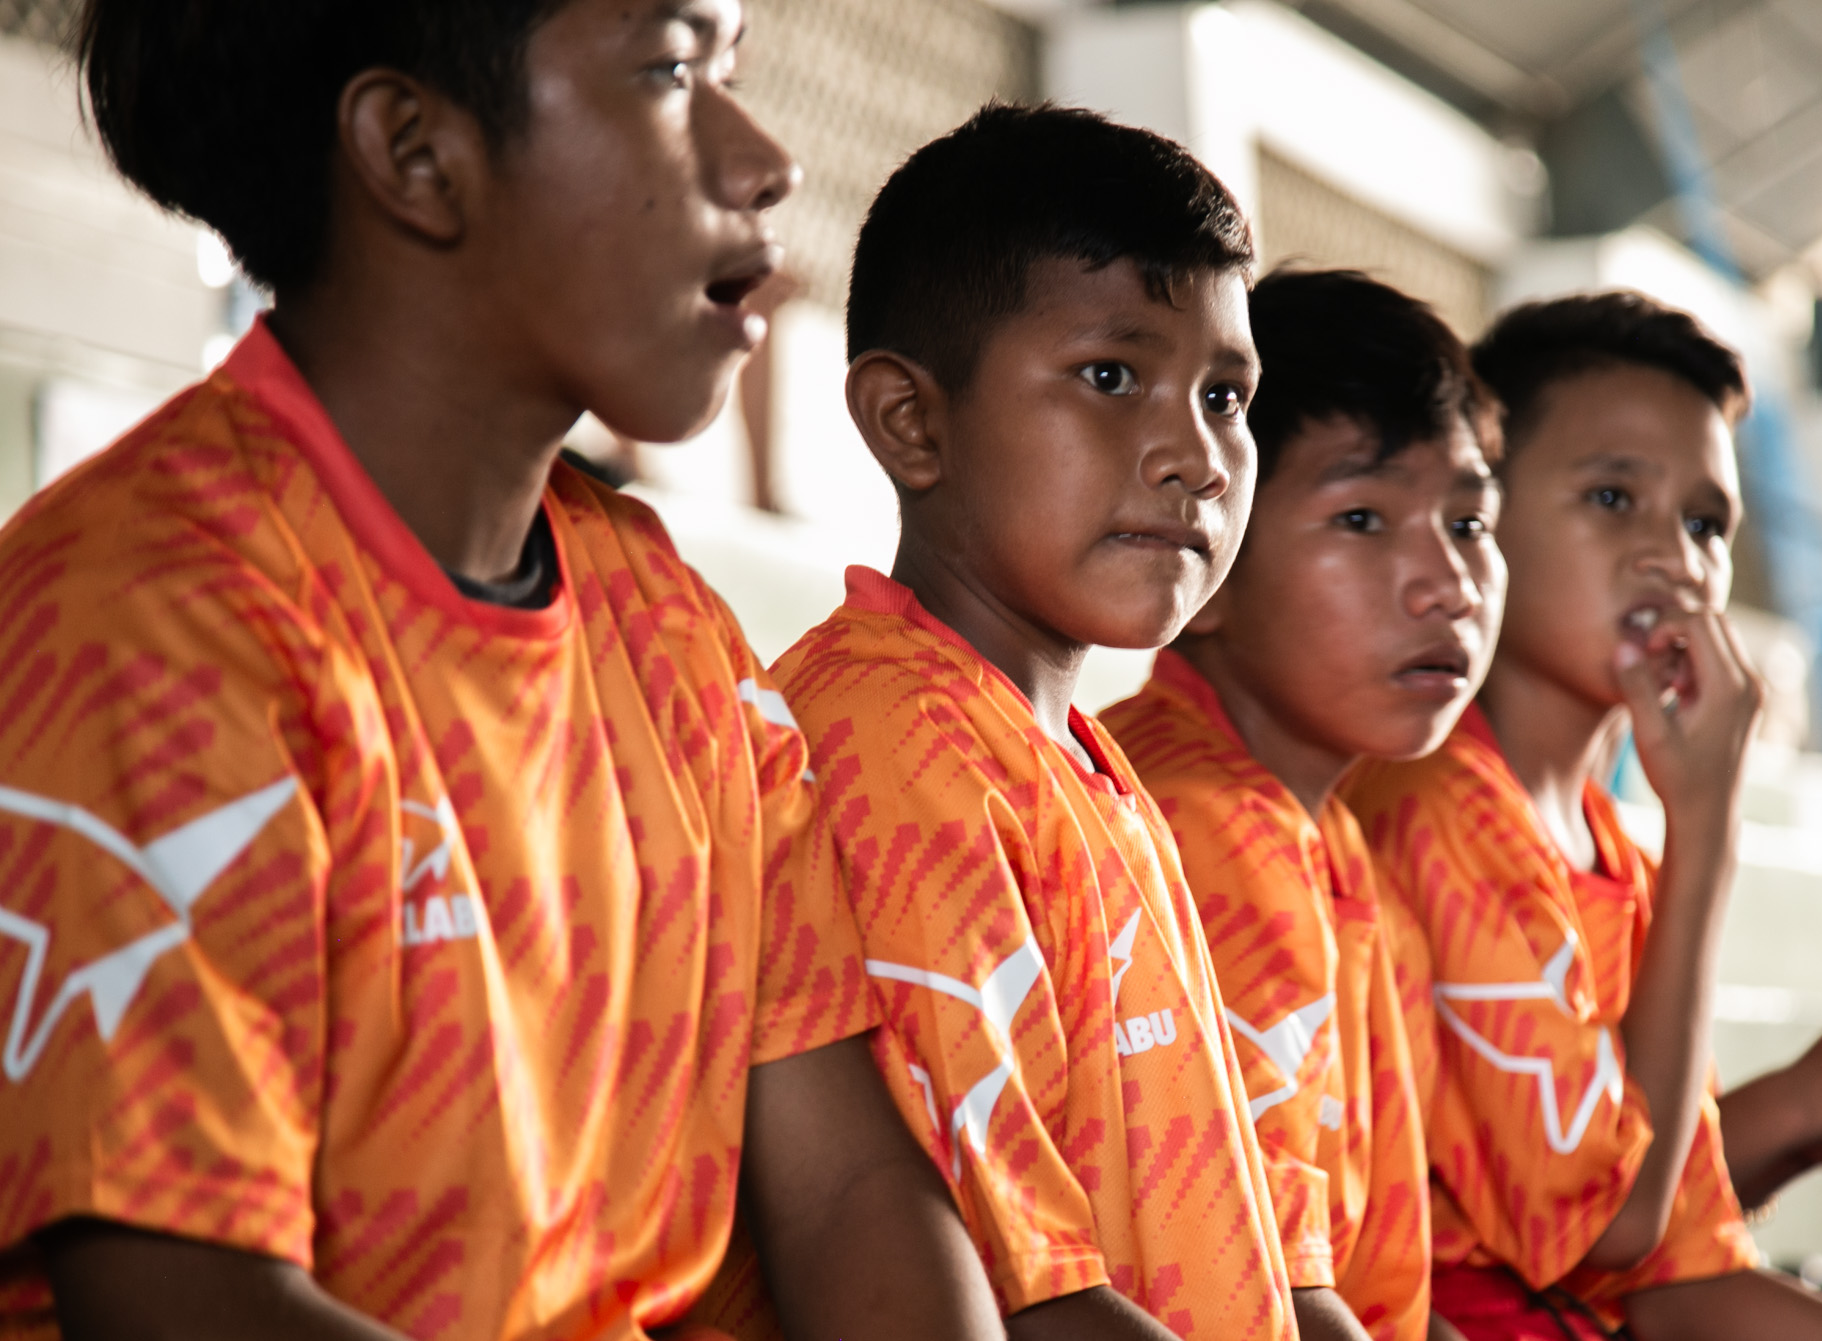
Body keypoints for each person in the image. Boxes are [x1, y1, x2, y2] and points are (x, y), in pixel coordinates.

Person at [0, 3, 1009, 1339]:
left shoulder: (676, 635)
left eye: (734, 72)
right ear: (415, 153)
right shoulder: (143, 616)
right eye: (669, 72)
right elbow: (188, 1303)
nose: (766, 158)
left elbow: (847, 1188)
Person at [703, 104, 1296, 1341]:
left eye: (1227, 396)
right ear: (911, 422)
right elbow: (1028, 1305)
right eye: (1110, 377)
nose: (1194, 454)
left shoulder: (1068, 754)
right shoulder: (892, 748)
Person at [1341, 290, 1822, 1341]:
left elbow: (1680, 1256)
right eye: (1611, 498)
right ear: (1475, 513)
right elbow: (1618, 1237)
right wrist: (1706, 832)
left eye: (1704, 524)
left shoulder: (1600, 840)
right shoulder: (1432, 807)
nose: (1671, 557)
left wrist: (1798, 1111)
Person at [1102, 269, 1504, 1341]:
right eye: (1363, 517)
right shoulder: (1204, 828)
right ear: (1211, 563)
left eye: (1469, 521)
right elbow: (1263, 1302)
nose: (1447, 583)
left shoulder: (1317, 824)